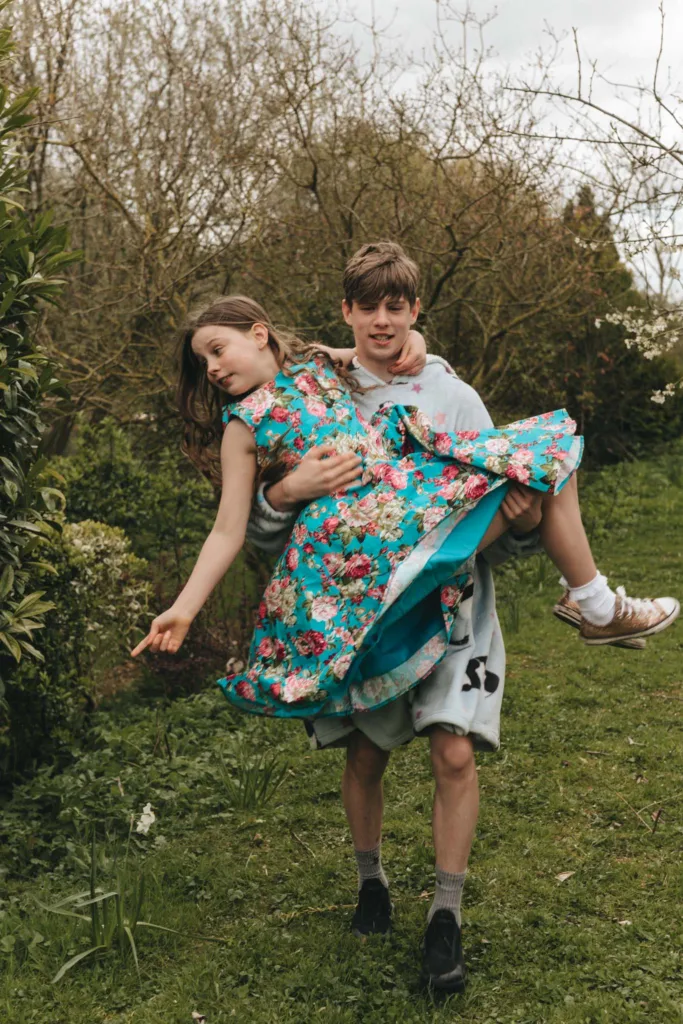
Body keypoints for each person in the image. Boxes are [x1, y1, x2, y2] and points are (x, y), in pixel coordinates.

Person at [131, 245, 679, 990]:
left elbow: (352, 358)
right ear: (349, 311)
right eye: (203, 363)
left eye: (217, 351)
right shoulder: (262, 415)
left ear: (259, 334)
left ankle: (593, 605)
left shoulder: (335, 371)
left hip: (419, 538)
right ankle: (371, 881)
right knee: (366, 756)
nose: (213, 370)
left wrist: (517, 517)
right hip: (358, 578)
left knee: (547, 459)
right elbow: (233, 530)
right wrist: (194, 597)